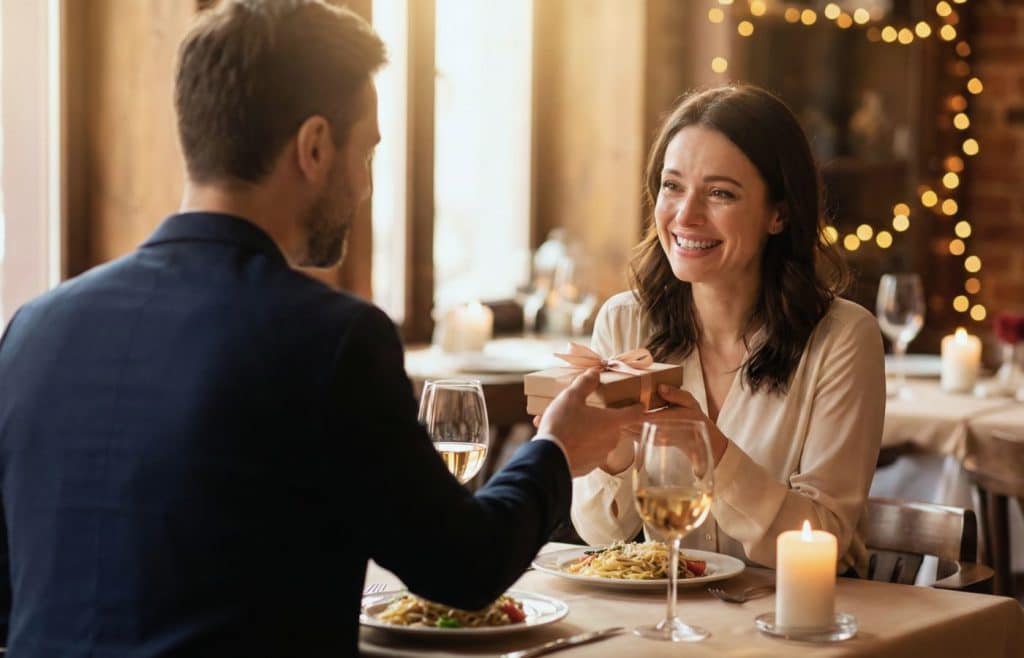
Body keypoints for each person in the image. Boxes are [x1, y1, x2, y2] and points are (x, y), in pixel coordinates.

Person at [0, 2, 645, 656]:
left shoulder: (32, 329)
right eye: (366, 152)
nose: (364, 187)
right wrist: (558, 448)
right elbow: (463, 567)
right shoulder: (331, 340)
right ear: (313, 147)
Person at [570, 85, 885, 576]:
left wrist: (709, 448)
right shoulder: (624, 322)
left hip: (800, 629)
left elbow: (823, 541)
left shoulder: (843, 339)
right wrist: (613, 448)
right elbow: (601, 536)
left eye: (720, 193)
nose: (686, 215)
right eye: (673, 186)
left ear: (778, 213)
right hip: (670, 628)